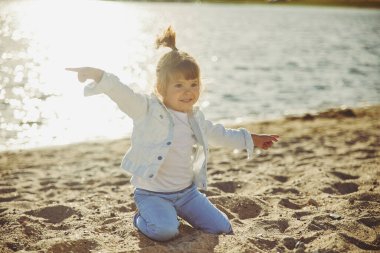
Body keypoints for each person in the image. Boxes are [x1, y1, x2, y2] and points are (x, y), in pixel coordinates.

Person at [66, 26, 279, 242]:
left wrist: (251, 139)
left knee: (221, 227)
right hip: (152, 194)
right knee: (165, 231)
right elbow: (123, 94)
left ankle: (175, 213)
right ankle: (141, 217)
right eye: (179, 85)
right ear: (161, 87)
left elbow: (220, 134)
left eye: (193, 84)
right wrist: (99, 76)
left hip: (187, 194)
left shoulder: (195, 118)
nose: (188, 91)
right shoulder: (146, 110)